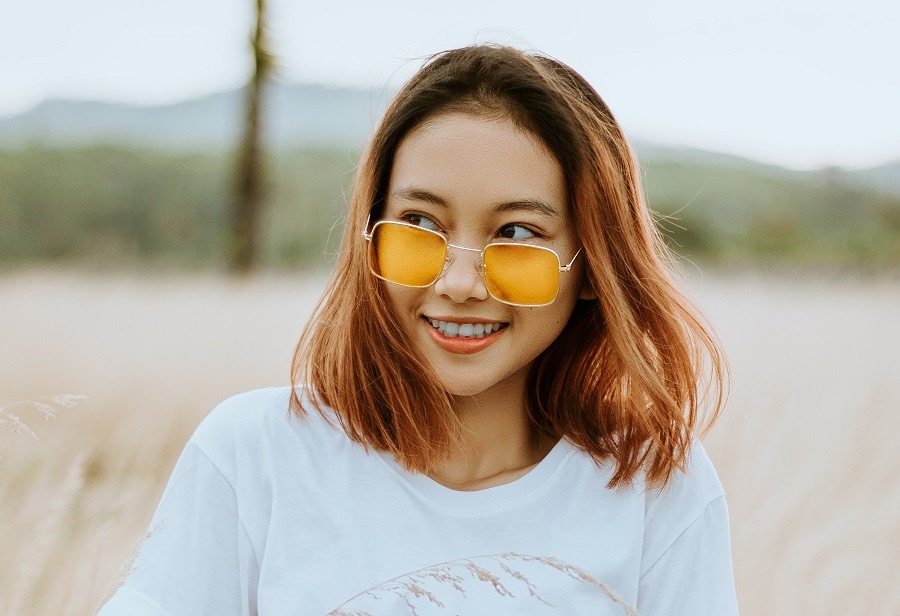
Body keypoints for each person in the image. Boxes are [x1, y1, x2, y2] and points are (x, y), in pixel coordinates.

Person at [98, 44, 737, 615]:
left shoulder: (656, 488)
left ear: (593, 265)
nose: (459, 283)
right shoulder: (253, 457)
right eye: (421, 225)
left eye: (516, 233)